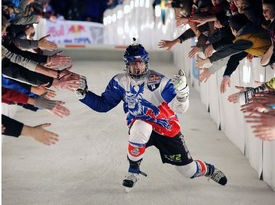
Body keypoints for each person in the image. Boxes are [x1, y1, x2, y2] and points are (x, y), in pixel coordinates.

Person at [74, 39, 227, 191]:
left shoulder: (160, 81)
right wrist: (84, 94)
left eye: (140, 63)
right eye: (133, 64)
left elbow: (179, 109)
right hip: (140, 124)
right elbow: (104, 105)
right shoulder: (119, 81)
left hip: (166, 128)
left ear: (146, 63)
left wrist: (182, 93)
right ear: (127, 65)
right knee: (141, 126)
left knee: (187, 171)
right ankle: (133, 171)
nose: (137, 67)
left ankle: (209, 170)